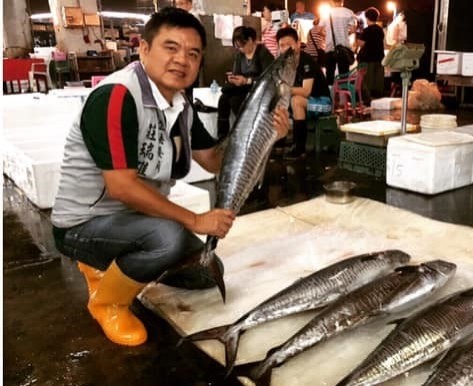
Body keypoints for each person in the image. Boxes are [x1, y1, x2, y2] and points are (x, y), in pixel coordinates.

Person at [51, 8, 289, 347]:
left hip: (134, 220)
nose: (182, 60)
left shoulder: (181, 107)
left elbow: (215, 161)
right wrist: (196, 220)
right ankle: (108, 303)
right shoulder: (116, 98)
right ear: (144, 49)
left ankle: (118, 268)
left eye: (193, 54)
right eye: (171, 47)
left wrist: (267, 136)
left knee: (208, 271)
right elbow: (121, 187)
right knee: (167, 238)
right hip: (83, 223)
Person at [276, 27, 331, 159]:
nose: (286, 49)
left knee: (296, 100)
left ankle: (299, 147)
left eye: (289, 44)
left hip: (323, 103)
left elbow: (306, 91)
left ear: (298, 44)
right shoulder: (284, 63)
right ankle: (280, 140)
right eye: (282, 45)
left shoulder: (307, 61)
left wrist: (285, 90)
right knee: (278, 101)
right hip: (305, 102)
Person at [217, 26, 274, 139]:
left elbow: (268, 78)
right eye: (238, 47)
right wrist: (234, 78)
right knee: (223, 98)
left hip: (258, 88)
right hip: (242, 87)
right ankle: (222, 135)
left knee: (235, 101)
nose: (240, 49)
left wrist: (247, 80)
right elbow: (237, 73)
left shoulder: (262, 53)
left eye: (242, 46)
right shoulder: (239, 55)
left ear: (250, 40)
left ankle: (246, 134)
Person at [320, 0, 357, 85]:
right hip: (344, 47)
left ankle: (330, 94)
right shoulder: (348, 12)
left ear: (332, 2)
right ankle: (343, 94)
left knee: (329, 74)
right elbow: (353, 29)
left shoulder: (327, 13)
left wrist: (326, 34)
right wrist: (346, 34)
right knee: (344, 75)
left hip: (330, 47)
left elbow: (319, 30)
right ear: (342, 1)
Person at [356, 7, 385, 102]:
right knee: (377, 82)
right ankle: (377, 101)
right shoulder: (380, 30)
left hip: (367, 60)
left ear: (367, 18)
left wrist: (357, 34)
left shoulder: (367, 30)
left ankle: (368, 102)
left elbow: (361, 43)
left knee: (367, 83)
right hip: (379, 59)